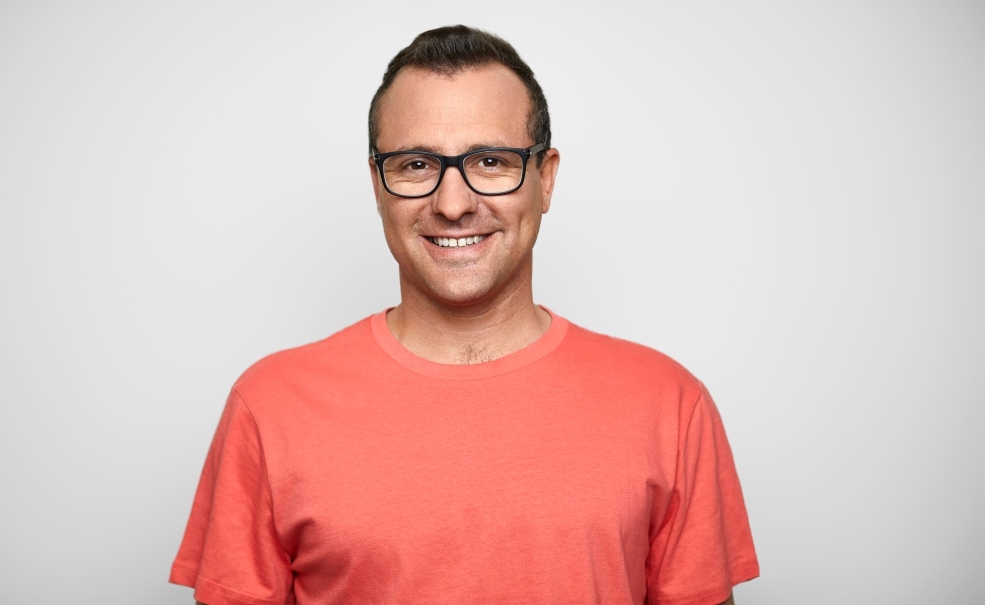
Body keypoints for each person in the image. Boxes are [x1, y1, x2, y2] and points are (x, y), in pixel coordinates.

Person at [170, 25, 758, 605]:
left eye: (491, 161)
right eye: (416, 165)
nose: (453, 205)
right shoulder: (269, 407)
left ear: (546, 179)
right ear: (378, 184)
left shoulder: (670, 406)